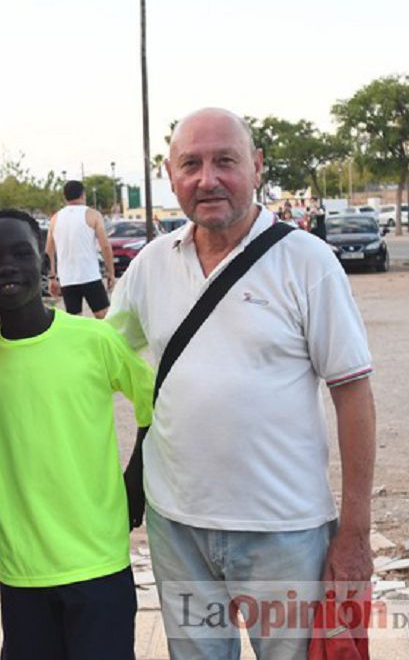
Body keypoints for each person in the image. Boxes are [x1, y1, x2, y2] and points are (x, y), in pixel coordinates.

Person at [107, 108, 376, 659]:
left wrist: (354, 534)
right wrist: (4, 331)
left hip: (286, 532)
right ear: (170, 173)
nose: (208, 179)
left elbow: (353, 396)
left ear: (255, 167)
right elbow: (96, 352)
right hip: (176, 527)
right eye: (191, 164)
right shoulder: (152, 264)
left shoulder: (308, 261)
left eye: (224, 161)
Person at [0, 209, 154, 659]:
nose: (6, 266)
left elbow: (155, 405)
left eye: (20, 253)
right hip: (23, 572)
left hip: (100, 564)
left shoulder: (93, 340)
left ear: (45, 265)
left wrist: (136, 478)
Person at [45, 180, 116, 318]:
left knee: (75, 319)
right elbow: (105, 246)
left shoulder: (55, 219)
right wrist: (110, 272)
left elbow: (49, 251)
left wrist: (52, 277)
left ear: (65, 197)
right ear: (83, 195)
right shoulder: (93, 214)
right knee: (103, 316)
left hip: (67, 278)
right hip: (89, 275)